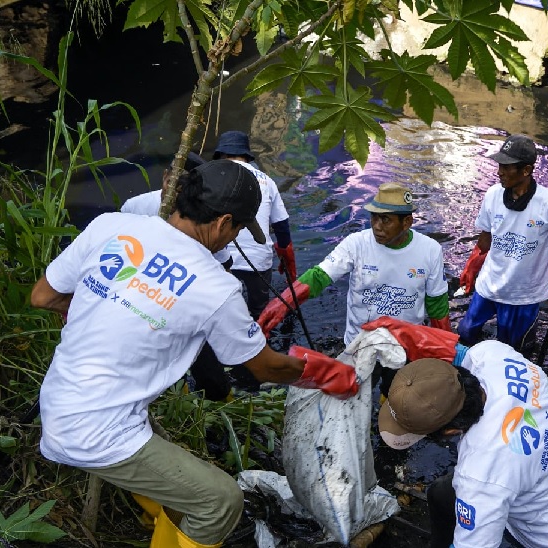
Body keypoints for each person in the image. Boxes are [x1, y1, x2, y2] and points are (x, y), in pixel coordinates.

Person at [30, 160, 358, 548]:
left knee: (175, 476)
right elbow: (265, 367)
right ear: (222, 223)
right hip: (95, 432)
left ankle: (161, 521)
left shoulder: (111, 226)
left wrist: (109, 304)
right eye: (237, 229)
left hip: (59, 398)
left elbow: (43, 296)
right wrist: (323, 372)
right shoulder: (215, 286)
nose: (233, 238)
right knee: (220, 501)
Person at [363, 317, 548, 548]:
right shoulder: (492, 354)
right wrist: (413, 335)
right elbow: (460, 353)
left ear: (451, 430)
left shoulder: (481, 474)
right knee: (441, 494)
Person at [257, 182, 451, 350]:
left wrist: (446, 351)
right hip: (359, 344)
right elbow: (319, 276)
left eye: (386, 219)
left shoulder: (430, 250)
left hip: (405, 346)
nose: (377, 226)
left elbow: (438, 308)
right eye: (374, 217)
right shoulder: (356, 243)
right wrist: (283, 303)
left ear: (407, 222)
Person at [120, 151, 234, 400]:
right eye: (171, 184)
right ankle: (176, 403)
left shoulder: (203, 221)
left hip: (184, 308)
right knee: (162, 374)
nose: (174, 196)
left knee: (210, 373)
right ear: (165, 177)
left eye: (184, 190)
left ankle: (220, 401)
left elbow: (223, 265)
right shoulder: (136, 208)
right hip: (141, 302)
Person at [457, 134, 548, 351]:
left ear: (526, 170)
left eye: (506, 166)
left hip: (524, 294)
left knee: (514, 349)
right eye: (499, 165)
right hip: (489, 285)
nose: (499, 172)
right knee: (465, 335)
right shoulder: (493, 195)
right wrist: (473, 264)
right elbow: (486, 236)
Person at [213, 130, 296, 319]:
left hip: (221, 260)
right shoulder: (267, 181)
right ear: (247, 157)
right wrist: (285, 255)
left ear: (222, 155)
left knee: (224, 312)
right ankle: (261, 342)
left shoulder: (214, 177)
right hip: (259, 260)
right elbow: (282, 225)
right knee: (260, 312)